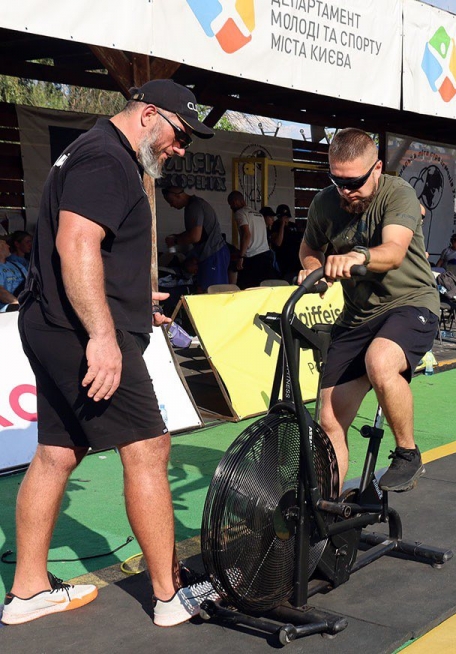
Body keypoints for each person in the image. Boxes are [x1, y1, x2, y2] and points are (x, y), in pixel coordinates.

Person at [2, 79, 215, 628]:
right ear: (148, 114)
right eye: (180, 134)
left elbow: (92, 252)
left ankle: (27, 591)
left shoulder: (95, 150)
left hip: (53, 322)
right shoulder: (107, 159)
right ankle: (169, 596)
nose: (181, 148)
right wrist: (102, 334)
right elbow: (76, 242)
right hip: (78, 332)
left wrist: (132, 301)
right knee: (148, 447)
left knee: (57, 452)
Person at [299, 128, 439, 492]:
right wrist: (312, 268)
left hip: (410, 303)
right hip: (357, 317)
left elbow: (393, 252)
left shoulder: (398, 193)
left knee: (380, 361)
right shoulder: (324, 203)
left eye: (354, 182)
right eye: (338, 181)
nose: (346, 191)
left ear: (376, 169)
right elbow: (309, 248)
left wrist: (357, 256)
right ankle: (325, 509)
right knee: (329, 418)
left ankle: (407, 453)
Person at [162, 186, 229, 293]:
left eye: (171, 201)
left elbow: (195, 236)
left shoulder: (194, 206)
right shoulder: (193, 205)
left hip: (213, 254)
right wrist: (177, 237)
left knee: (214, 292)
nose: (171, 205)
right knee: (205, 290)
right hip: (209, 254)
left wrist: (175, 240)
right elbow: (194, 233)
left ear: (178, 196)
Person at [227, 191, 276, 288]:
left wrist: (241, 256)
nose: (231, 207)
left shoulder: (240, 213)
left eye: (231, 204)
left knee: (246, 289)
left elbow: (246, 235)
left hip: (252, 257)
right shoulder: (258, 214)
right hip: (266, 255)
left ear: (235, 201)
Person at [272, 203, 303, 282]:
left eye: (287, 217)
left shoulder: (293, 226)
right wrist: (282, 225)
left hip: (295, 257)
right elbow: (278, 243)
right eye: (283, 217)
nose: (286, 219)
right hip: (283, 258)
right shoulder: (276, 225)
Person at [0, 236, 25, 311]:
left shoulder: (17, 265)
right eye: (5, 244)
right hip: (7, 308)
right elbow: (1, 292)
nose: (8, 246)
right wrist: (18, 303)